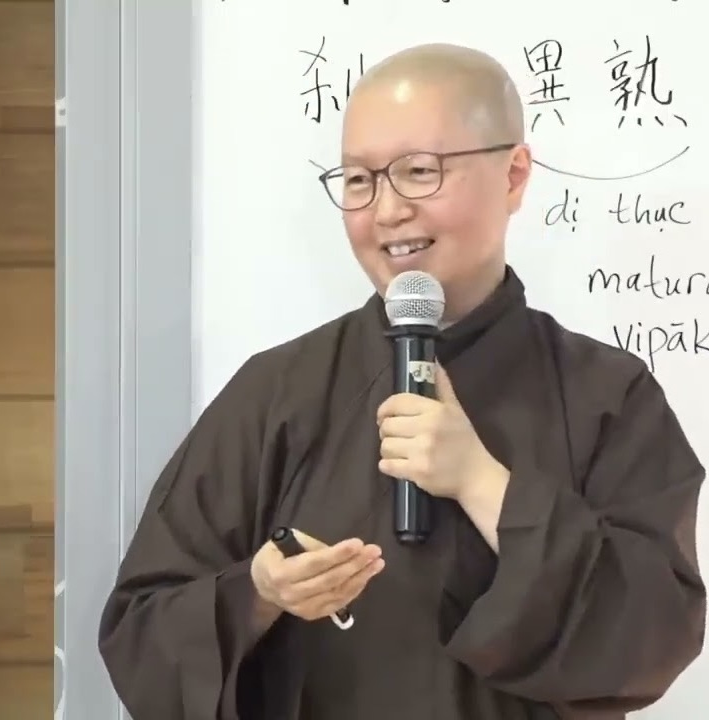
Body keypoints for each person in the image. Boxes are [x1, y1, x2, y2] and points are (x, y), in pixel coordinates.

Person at [97, 43, 706, 719]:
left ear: (514, 174)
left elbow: (657, 631)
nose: (386, 211)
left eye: (419, 172)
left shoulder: (608, 395)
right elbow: (141, 626)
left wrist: (484, 485)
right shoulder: (277, 391)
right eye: (359, 181)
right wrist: (257, 593)